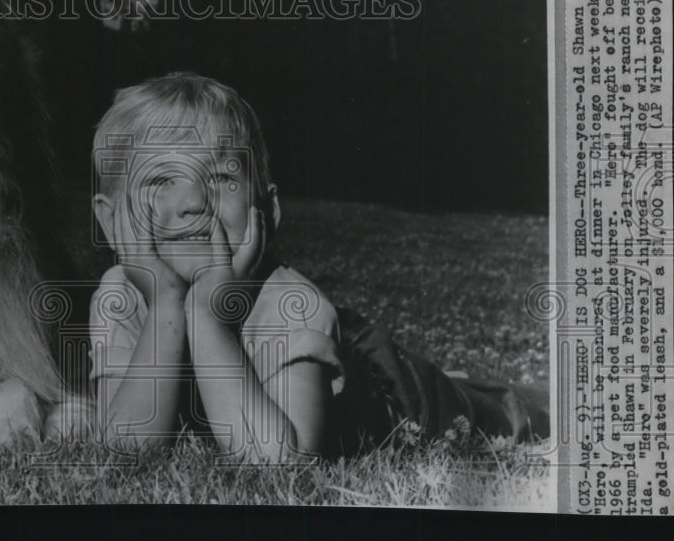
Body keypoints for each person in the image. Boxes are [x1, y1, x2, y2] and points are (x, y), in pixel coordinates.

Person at [88, 72, 548, 462]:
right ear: (110, 222)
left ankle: (520, 395)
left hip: (397, 393)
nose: (192, 202)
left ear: (266, 210)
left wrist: (208, 316)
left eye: (222, 177)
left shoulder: (291, 303)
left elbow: (280, 461)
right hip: (341, 352)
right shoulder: (120, 296)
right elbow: (125, 446)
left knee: (498, 413)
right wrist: (168, 303)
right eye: (161, 181)